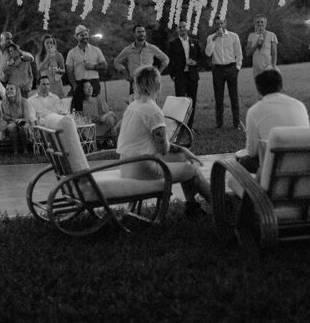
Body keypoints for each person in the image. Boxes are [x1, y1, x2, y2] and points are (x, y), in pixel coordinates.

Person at [117, 65, 211, 219]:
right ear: (158, 86)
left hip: (125, 164)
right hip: (143, 169)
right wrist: (175, 144)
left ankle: (192, 206)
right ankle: (219, 204)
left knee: (183, 157)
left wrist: (183, 151)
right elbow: (163, 149)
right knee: (191, 168)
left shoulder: (132, 106)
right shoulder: (153, 111)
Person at [238, 69, 310, 173]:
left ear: (259, 89)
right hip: (302, 162)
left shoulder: (254, 111)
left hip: (274, 168)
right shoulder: (299, 105)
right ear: (281, 85)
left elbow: (252, 152)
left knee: (244, 161)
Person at [205, 18, 243, 129]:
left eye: (221, 23)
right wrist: (214, 39)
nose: (219, 25)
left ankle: (236, 123)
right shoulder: (210, 38)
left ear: (225, 23)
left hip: (231, 68)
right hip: (217, 69)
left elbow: (239, 54)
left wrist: (237, 68)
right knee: (218, 98)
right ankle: (219, 124)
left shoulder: (233, 36)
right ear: (215, 25)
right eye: (217, 24)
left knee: (234, 97)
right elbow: (208, 53)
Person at [113, 24, 169, 94]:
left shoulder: (152, 48)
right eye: (139, 32)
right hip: (135, 82)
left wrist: (158, 73)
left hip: (149, 81)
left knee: (150, 104)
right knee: (135, 103)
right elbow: (116, 61)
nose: (141, 33)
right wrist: (126, 75)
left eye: (143, 31)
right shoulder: (128, 50)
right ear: (134, 34)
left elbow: (165, 59)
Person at [167, 22, 202, 128]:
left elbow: (201, 58)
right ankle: (180, 127)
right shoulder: (173, 43)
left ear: (188, 28)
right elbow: (170, 60)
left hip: (192, 76)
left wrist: (195, 63)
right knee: (181, 102)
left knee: (192, 102)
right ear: (177, 29)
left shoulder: (194, 42)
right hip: (180, 76)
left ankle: (189, 127)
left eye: (184, 27)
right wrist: (173, 75)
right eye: (180, 27)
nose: (182, 29)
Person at [72, 79, 118, 147]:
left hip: (102, 125)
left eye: (90, 86)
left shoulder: (99, 99)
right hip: (88, 128)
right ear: (82, 90)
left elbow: (108, 113)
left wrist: (105, 116)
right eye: (86, 87)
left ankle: (113, 143)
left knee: (110, 119)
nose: (89, 89)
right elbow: (81, 118)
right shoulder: (80, 104)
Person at [66, 24, 107, 97]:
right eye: (82, 35)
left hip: (94, 82)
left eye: (86, 34)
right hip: (79, 83)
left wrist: (94, 67)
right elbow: (69, 72)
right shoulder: (71, 53)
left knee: (94, 106)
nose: (85, 37)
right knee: (80, 107)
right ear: (76, 37)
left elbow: (105, 66)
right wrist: (74, 86)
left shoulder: (96, 50)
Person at [0, 83, 36, 154]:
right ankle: (15, 151)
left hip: (23, 122)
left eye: (11, 89)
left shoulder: (24, 101)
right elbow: (3, 117)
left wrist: (16, 120)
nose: (9, 91)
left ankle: (25, 150)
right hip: (10, 124)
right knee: (11, 127)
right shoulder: (3, 103)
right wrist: (15, 120)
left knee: (23, 127)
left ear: (17, 91)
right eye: (7, 89)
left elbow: (26, 118)